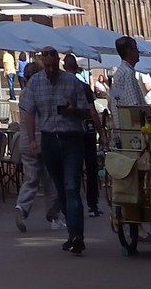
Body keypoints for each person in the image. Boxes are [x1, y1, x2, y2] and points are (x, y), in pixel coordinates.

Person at [19, 46, 96, 255]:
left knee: (71, 186)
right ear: (43, 63)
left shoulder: (72, 82)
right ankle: (72, 233)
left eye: (53, 65)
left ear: (58, 62)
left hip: (71, 139)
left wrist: (73, 111)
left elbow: (86, 112)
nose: (51, 70)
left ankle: (77, 235)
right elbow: (29, 112)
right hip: (49, 140)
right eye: (47, 66)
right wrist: (32, 140)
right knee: (61, 189)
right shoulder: (35, 83)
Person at [61, 51, 101, 217]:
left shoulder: (60, 88)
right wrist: (101, 132)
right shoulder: (83, 86)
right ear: (76, 68)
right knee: (91, 168)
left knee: (73, 170)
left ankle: (73, 204)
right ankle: (92, 205)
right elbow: (92, 112)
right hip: (87, 131)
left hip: (70, 132)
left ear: (64, 67)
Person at [110, 36, 150, 121]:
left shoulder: (118, 73)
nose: (138, 52)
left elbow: (114, 102)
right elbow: (134, 105)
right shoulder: (128, 73)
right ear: (129, 51)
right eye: (135, 48)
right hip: (131, 125)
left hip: (121, 124)